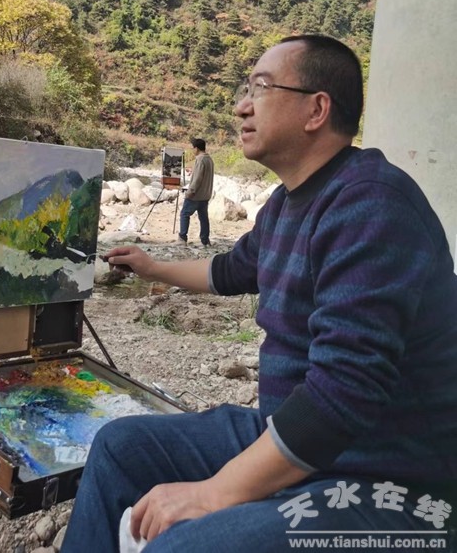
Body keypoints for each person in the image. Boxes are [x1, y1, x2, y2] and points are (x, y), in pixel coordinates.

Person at [62, 35, 457, 553]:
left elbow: (344, 391)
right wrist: (151, 266)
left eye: (261, 88)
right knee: (121, 447)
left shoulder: (372, 205)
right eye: (245, 90)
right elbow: (231, 270)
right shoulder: (285, 203)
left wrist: (214, 493)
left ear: (316, 109)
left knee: (185, 547)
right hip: (297, 434)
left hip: (387, 476)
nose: (241, 107)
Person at [179, 137, 214, 246]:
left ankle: (182, 238)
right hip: (205, 195)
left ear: (196, 148)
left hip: (196, 195)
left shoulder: (200, 159)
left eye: (192, 148)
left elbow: (198, 178)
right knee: (203, 218)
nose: (192, 150)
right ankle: (205, 240)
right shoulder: (209, 159)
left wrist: (190, 191)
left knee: (184, 214)